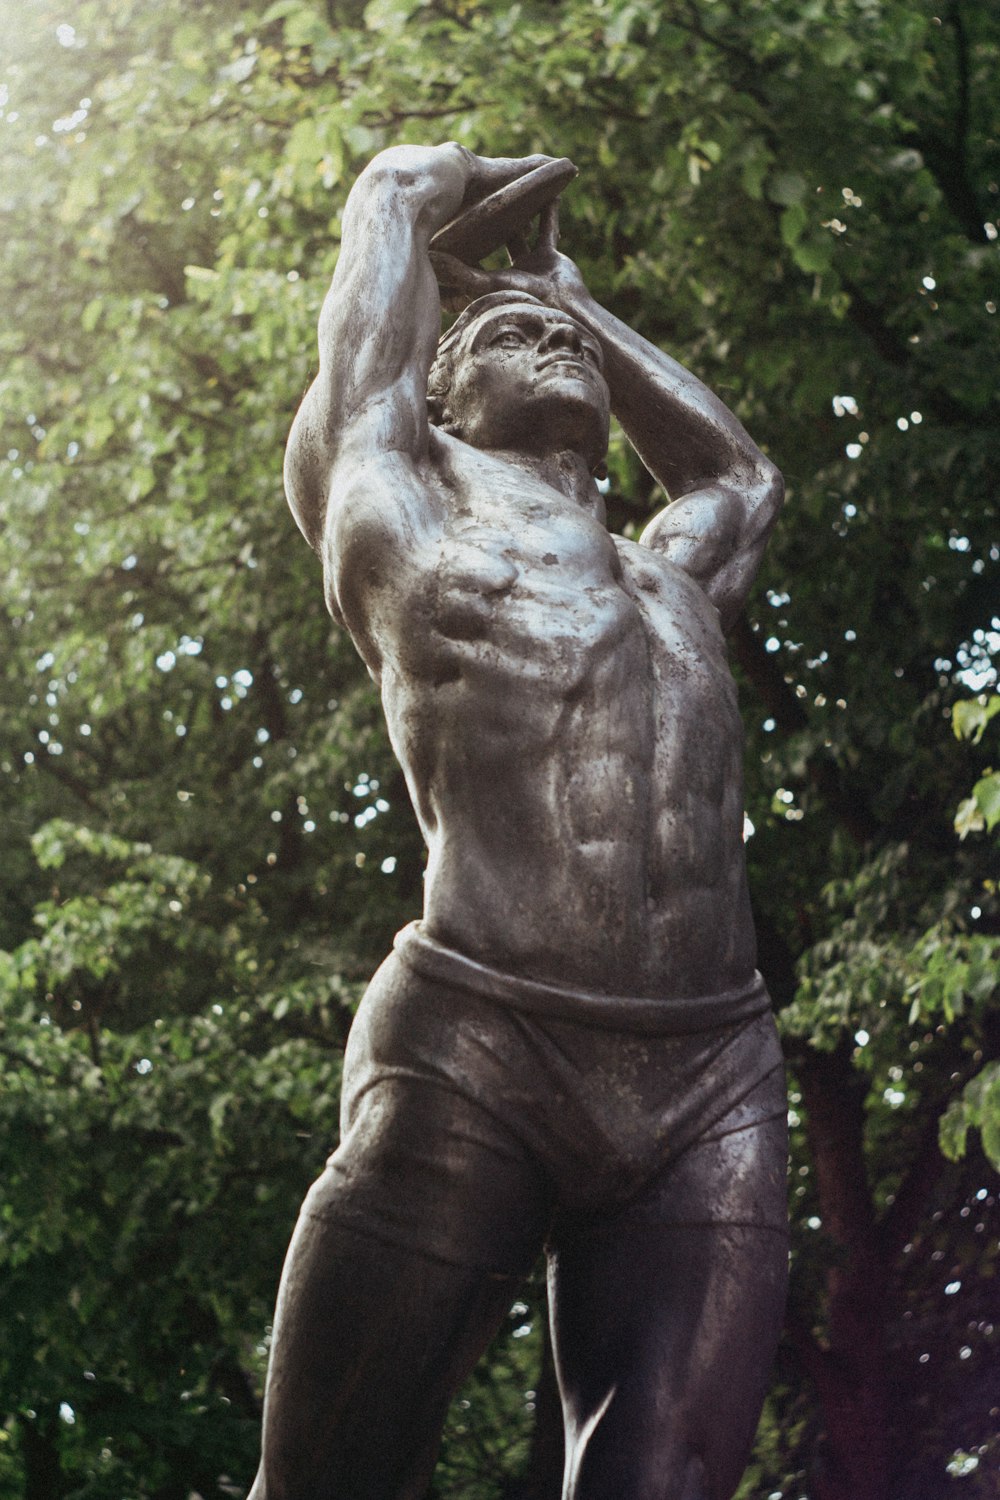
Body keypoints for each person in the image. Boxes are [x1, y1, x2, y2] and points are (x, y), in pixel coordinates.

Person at [250, 143, 788, 1500]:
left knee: (660, 1478)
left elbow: (740, 479)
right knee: (332, 1478)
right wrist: (398, 195)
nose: (552, 349)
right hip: (480, 1033)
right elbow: (370, 347)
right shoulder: (402, 500)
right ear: (439, 383)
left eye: (568, 345)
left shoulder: (666, 576)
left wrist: (567, 295)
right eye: (509, 334)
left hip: (708, 1067)